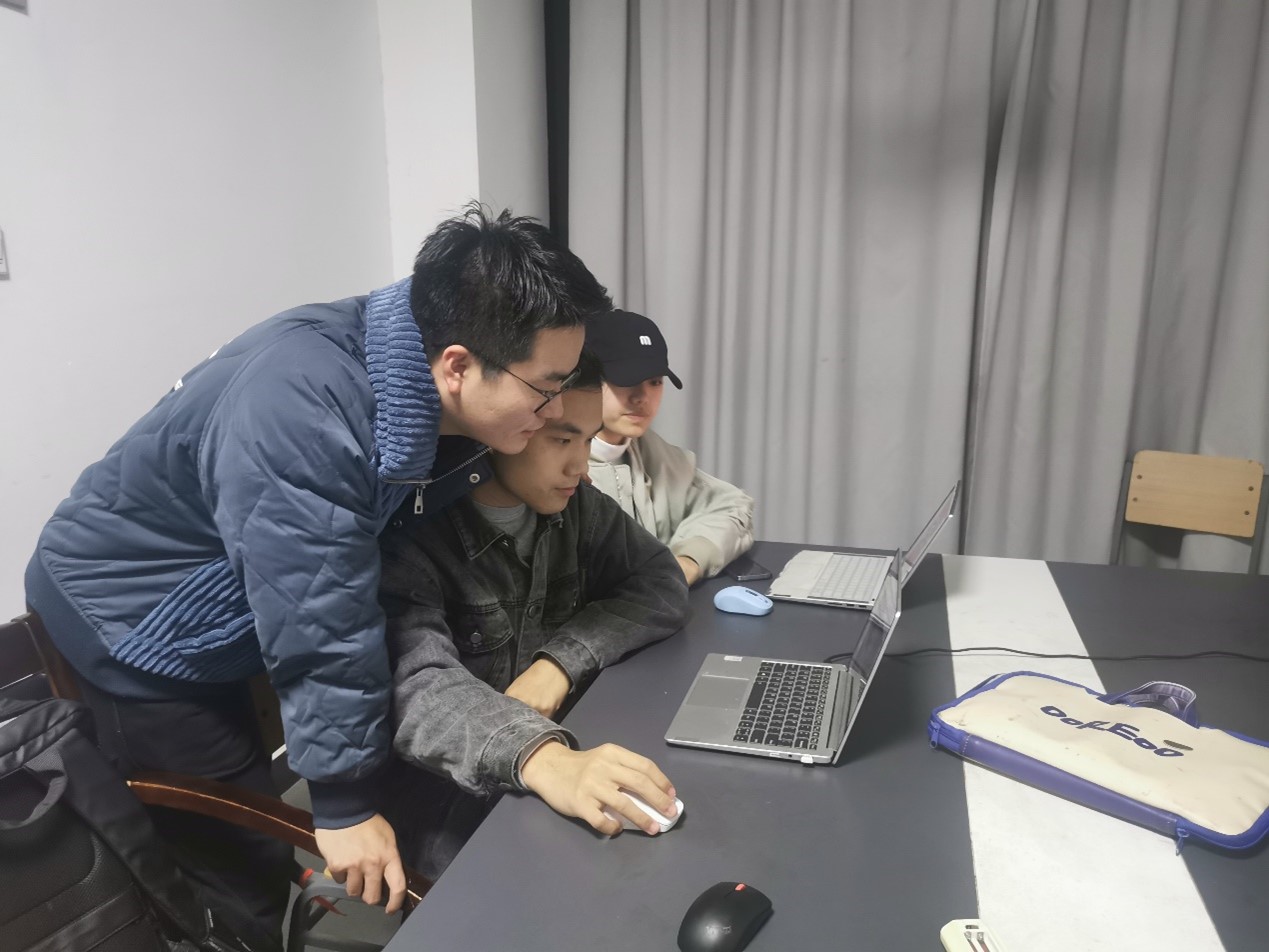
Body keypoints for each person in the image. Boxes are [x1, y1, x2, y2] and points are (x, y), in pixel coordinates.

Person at [23, 203, 611, 936]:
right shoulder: (304, 410)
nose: (554, 409)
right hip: (132, 618)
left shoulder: (421, 363)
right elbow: (316, 608)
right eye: (545, 388)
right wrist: (342, 802)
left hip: (229, 597)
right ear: (459, 366)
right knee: (238, 870)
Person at [377, 353, 688, 879]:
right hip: (444, 793)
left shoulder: (576, 506)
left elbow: (660, 581)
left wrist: (560, 664)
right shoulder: (414, 534)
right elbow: (418, 686)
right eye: (562, 440)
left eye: (588, 441)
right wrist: (543, 757)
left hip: (551, 754)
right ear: (502, 429)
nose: (580, 467)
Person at [584, 309, 755, 585]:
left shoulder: (653, 453)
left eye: (655, 381)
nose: (642, 397)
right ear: (587, 380)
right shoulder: (557, 469)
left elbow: (733, 506)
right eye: (626, 378)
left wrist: (689, 560)